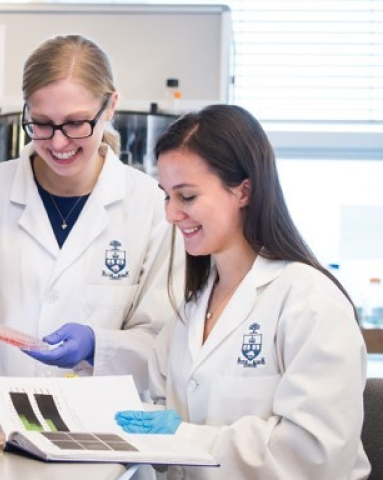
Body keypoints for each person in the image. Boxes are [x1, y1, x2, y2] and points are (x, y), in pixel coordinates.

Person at [0, 34, 182, 397]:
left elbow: (165, 346)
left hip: (102, 435)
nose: (58, 143)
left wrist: (97, 346)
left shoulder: (150, 206)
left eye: (75, 124)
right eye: (41, 123)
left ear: (110, 107)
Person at [115, 104, 370, 479]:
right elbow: (162, 407)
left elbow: (314, 454)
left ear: (243, 191)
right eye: (166, 195)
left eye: (186, 197)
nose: (170, 214)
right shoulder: (190, 310)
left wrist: (185, 439)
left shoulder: (309, 302)